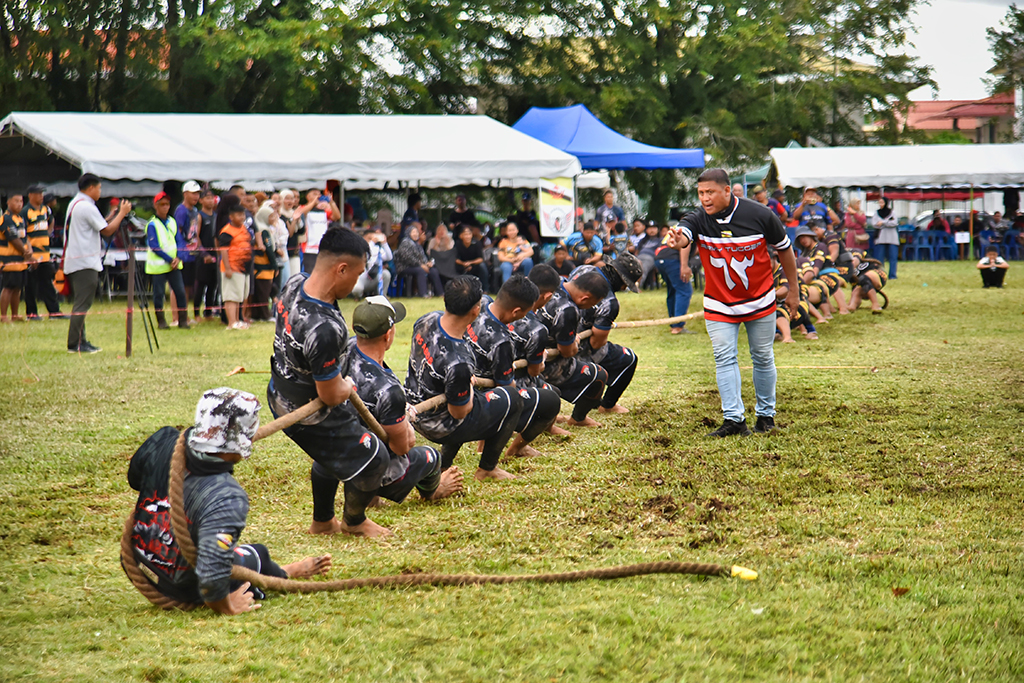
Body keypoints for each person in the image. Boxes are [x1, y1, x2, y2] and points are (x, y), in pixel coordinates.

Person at [123, 387, 332, 614]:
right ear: (240, 438)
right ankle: (285, 573)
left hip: (137, 561)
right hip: (179, 587)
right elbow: (211, 577)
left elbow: (135, 478)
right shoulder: (226, 496)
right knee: (255, 555)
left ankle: (277, 571)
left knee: (218, 545)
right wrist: (228, 606)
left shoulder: (163, 440)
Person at [267, 230, 400, 537]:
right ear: (341, 269)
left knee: (337, 449)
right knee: (375, 455)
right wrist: (346, 385)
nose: (357, 283)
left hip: (279, 389)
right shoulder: (325, 327)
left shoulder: (296, 282)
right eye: (356, 274)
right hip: (306, 410)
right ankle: (354, 522)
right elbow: (329, 395)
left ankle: (322, 522)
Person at [666, 168, 799, 437]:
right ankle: (734, 420)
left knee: (762, 356)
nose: (705, 198)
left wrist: (793, 289)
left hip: (760, 300)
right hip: (719, 303)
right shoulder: (698, 218)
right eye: (701, 193)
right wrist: (678, 239)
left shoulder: (760, 214)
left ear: (727, 190)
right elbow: (684, 234)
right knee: (724, 357)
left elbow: (785, 250)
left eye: (710, 192)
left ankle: (766, 417)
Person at [339, 296, 465, 509]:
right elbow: (402, 446)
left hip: (338, 455)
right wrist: (405, 421)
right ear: (388, 335)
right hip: (370, 464)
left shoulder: (346, 348)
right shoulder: (389, 390)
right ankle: (433, 491)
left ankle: (368, 492)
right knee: (431, 456)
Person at [405, 275, 523, 481]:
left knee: (465, 395)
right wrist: (467, 388)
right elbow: (459, 412)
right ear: (476, 310)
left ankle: (444, 464)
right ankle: (487, 468)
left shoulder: (427, 319)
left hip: (414, 403)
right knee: (513, 398)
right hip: (439, 425)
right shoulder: (459, 361)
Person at [465, 275, 562, 460]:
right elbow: (508, 388)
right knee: (551, 399)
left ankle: (484, 443)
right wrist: (539, 364)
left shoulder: (479, 306)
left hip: (468, 379)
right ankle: (516, 448)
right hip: (482, 396)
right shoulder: (502, 341)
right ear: (517, 311)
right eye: (526, 312)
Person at [532, 266, 610, 427]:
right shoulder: (568, 310)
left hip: (527, 351)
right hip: (544, 362)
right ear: (585, 298)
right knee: (600, 375)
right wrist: (574, 344)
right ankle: (578, 418)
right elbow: (566, 352)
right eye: (592, 304)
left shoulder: (556, 283)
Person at [63, 174, 133, 352]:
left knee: (81, 302)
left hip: (76, 260)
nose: (100, 192)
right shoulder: (87, 206)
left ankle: (80, 340)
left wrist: (111, 216)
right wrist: (122, 213)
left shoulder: (75, 203)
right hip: (84, 262)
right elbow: (108, 231)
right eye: (99, 188)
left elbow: (100, 225)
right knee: (82, 303)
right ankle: (75, 343)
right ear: (91, 188)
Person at [571, 254, 643, 414]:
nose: (624, 288)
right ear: (620, 279)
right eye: (625, 284)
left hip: (557, 334)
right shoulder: (609, 302)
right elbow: (596, 344)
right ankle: (607, 405)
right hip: (576, 347)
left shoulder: (582, 269)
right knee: (629, 359)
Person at [145, 192, 190, 330]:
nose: (165, 207)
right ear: (156, 206)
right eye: (162, 204)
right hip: (158, 267)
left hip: (174, 266)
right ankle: (161, 321)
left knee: (180, 292)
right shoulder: (152, 224)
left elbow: (180, 241)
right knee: (158, 294)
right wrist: (170, 259)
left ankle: (183, 321)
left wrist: (179, 257)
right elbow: (154, 246)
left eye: (167, 204)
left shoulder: (172, 222)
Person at [21, 184, 62, 320]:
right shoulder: (25, 211)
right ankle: (32, 314)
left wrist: (48, 233)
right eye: (38, 193)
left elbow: (51, 221)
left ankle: (54, 312)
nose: (41, 196)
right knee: (31, 285)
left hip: (45, 254)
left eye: (42, 193)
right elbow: (23, 232)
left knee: (47, 283)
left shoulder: (45, 209)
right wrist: (29, 252)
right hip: (33, 255)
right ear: (31, 195)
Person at [218, 204, 253, 330]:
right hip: (232, 267)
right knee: (231, 296)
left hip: (244, 268)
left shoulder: (244, 228)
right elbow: (223, 251)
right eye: (239, 215)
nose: (242, 217)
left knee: (240, 296)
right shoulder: (227, 231)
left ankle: (238, 320)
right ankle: (231, 322)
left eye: (243, 215)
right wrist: (227, 268)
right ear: (231, 217)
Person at [654, 223, 694, 334]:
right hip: (672, 259)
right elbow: (685, 245)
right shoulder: (693, 226)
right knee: (684, 291)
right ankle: (678, 326)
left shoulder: (679, 225)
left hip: (660, 258)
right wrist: (684, 266)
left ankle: (674, 323)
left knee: (673, 290)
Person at [0, 193, 34, 322]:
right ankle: (3, 316)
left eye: (21, 201)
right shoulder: (6, 219)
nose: (19, 204)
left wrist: (29, 249)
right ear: (8, 202)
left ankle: (15, 315)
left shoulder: (20, 219)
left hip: (21, 260)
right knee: (8, 287)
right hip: (9, 259)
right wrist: (25, 252)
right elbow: (13, 238)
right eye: (16, 201)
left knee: (18, 288)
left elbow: (25, 238)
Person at [173, 181, 202, 317]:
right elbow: (177, 231)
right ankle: (176, 316)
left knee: (188, 286)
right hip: (183, 252)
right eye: (193, 193)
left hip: (193, 252)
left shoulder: (195, 211)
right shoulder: (181, 210)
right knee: (179, 286)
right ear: (185, 194)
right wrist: (180, 252)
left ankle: (184, 315)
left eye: (198, 193)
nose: (196, 196)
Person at [295, 189, 340, 274]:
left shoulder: (323, 211)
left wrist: (331, 202)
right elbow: (301, 213)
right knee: (309, 273)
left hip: (323, 248)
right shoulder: (304, 208)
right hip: (309, 248)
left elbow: (336, 216)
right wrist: (313, 203)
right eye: (315, 194)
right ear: (308, 197)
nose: (318, 196)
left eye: (319, 194)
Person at [394, 224, 444, 297]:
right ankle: (423, 294)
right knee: (420, 270)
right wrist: (420, 265)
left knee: (433, 271)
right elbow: (407, 258)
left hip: (417, 265)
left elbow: (422, 257)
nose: (416, 234)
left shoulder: (417, 244)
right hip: (405, 267)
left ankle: (440, 293)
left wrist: (427, 263)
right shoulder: (405, 242)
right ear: (408, 233)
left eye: (417, 232)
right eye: (413, 232)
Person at [193, 190, 220, 320]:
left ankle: (208, 312)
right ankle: (196, 313)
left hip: (215, 255)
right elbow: (195, 237)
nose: (210, 201)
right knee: (200, 285)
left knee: (213, 285)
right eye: (207, 198)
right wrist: (203, 254)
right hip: (204, 256)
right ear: (201, 200)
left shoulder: (216, 216)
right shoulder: (199, 216)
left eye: (212, 198)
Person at [250, 204, 279, 322]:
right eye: (271, 216)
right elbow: (269, 250)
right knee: (263, 292)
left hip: (259, 267)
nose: (273, 219)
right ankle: (264, 315)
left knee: (261, 291)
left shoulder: (261, 229)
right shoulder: (264, 232)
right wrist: (274, 265)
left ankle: (257, 314)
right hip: (263, 267)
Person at [352, 228, 393, 298]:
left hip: (374, 277)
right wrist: (371, 243)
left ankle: (381, 295)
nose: (372, 239)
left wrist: (384, 243)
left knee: (386, 274)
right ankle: (359, 296)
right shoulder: (359, 247)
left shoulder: (376, 248)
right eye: (369, 238)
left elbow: (389, 257)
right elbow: (366, 254)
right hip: (362, 278)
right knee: (357, 289)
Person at [871, 197, 899, 280]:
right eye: (879, 203)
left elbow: (894, 223)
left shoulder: (892, 212)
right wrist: (888, 222)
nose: (881, 204)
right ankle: (880, 274)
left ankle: (892, 275)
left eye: (882, 202)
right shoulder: (876, 213)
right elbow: (874, 223)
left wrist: (883, 222)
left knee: (893, 257)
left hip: (892, 238)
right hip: (881, 238)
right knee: (879, 258)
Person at [427, 223, 458, 287]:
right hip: (437, 263)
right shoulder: (432, 240)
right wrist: (437, 244)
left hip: (448, 263)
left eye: (443, 230)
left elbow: (451, 253)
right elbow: (429, 253)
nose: (441, 232)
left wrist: (446, 244)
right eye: (439, 230)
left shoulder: (450, 240)